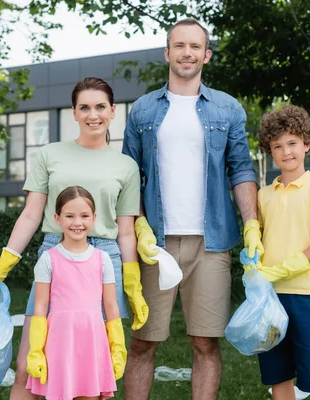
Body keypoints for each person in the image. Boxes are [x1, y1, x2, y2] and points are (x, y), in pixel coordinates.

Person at [0, 77, 148, 400]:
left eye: (100, 107)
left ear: (113, 111)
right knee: (30, 362)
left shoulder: (126, 166)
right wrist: (3, 266)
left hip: (104, 263)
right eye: (84, 107)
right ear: (73, 112)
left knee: (92, 373)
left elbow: (126, 231)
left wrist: (133, 283)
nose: (92, 115)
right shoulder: (49, 154)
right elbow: (31, 214)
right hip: (56, 256)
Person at [121, 18, 263, 400]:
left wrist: (251, 225)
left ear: (206, 55)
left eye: (195, 46)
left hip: (212, 241)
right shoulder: (143, 110)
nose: (187, 53)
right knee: (142, 343)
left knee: (205, 344)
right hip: (154, 244)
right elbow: (128, 173)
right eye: (179, 46)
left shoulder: (228, 109)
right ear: (168, 53)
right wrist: (137, 228)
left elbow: (242, 169)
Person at [254, 104, 310, 400]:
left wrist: (283, 269)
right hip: (269, 297)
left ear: (307, 144)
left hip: (306, 293)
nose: (286, 152)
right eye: (277, 146)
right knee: (278, 374)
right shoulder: (263, 195)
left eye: (292, 143)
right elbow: (259, 242)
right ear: (269, 151)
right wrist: (253, 266)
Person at [25, 186, 126, 399]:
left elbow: (111, 306)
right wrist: (36, 350)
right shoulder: (48, 259)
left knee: (89, 394)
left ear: (94, 218)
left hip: (92, 339)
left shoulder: (102, 259)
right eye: (69, 216)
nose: (77, 222)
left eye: (84, 216)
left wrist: (118, 347)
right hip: (60, 341)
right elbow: (41, 306)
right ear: (57, 218)